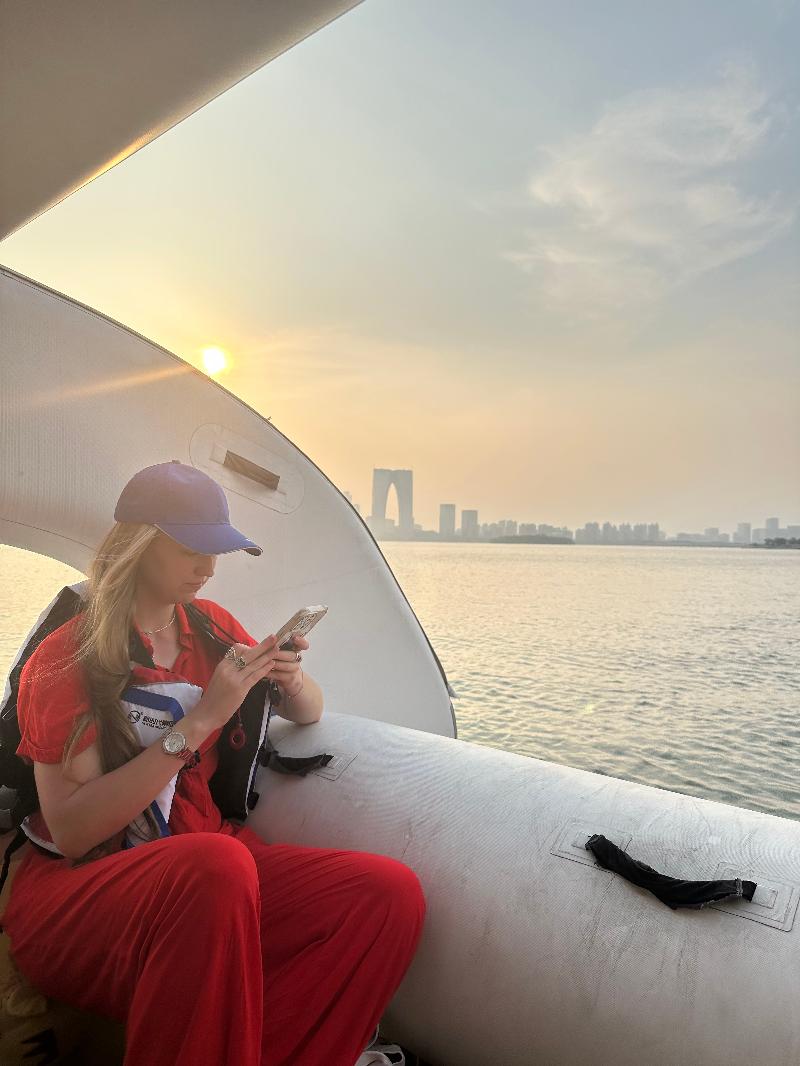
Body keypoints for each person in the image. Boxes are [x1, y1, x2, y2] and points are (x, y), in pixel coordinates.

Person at [0, 461, 426, 1066]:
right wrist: (199, 722)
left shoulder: (211, 627)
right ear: (140, 544)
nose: (207, 567)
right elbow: (71, 831)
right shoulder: (67, 659)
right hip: (84, 889)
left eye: (216, 551)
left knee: (386, 894)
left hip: (209, 869)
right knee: (216, 866)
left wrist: (290, 679)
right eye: (190, 550)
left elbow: (308, 713)